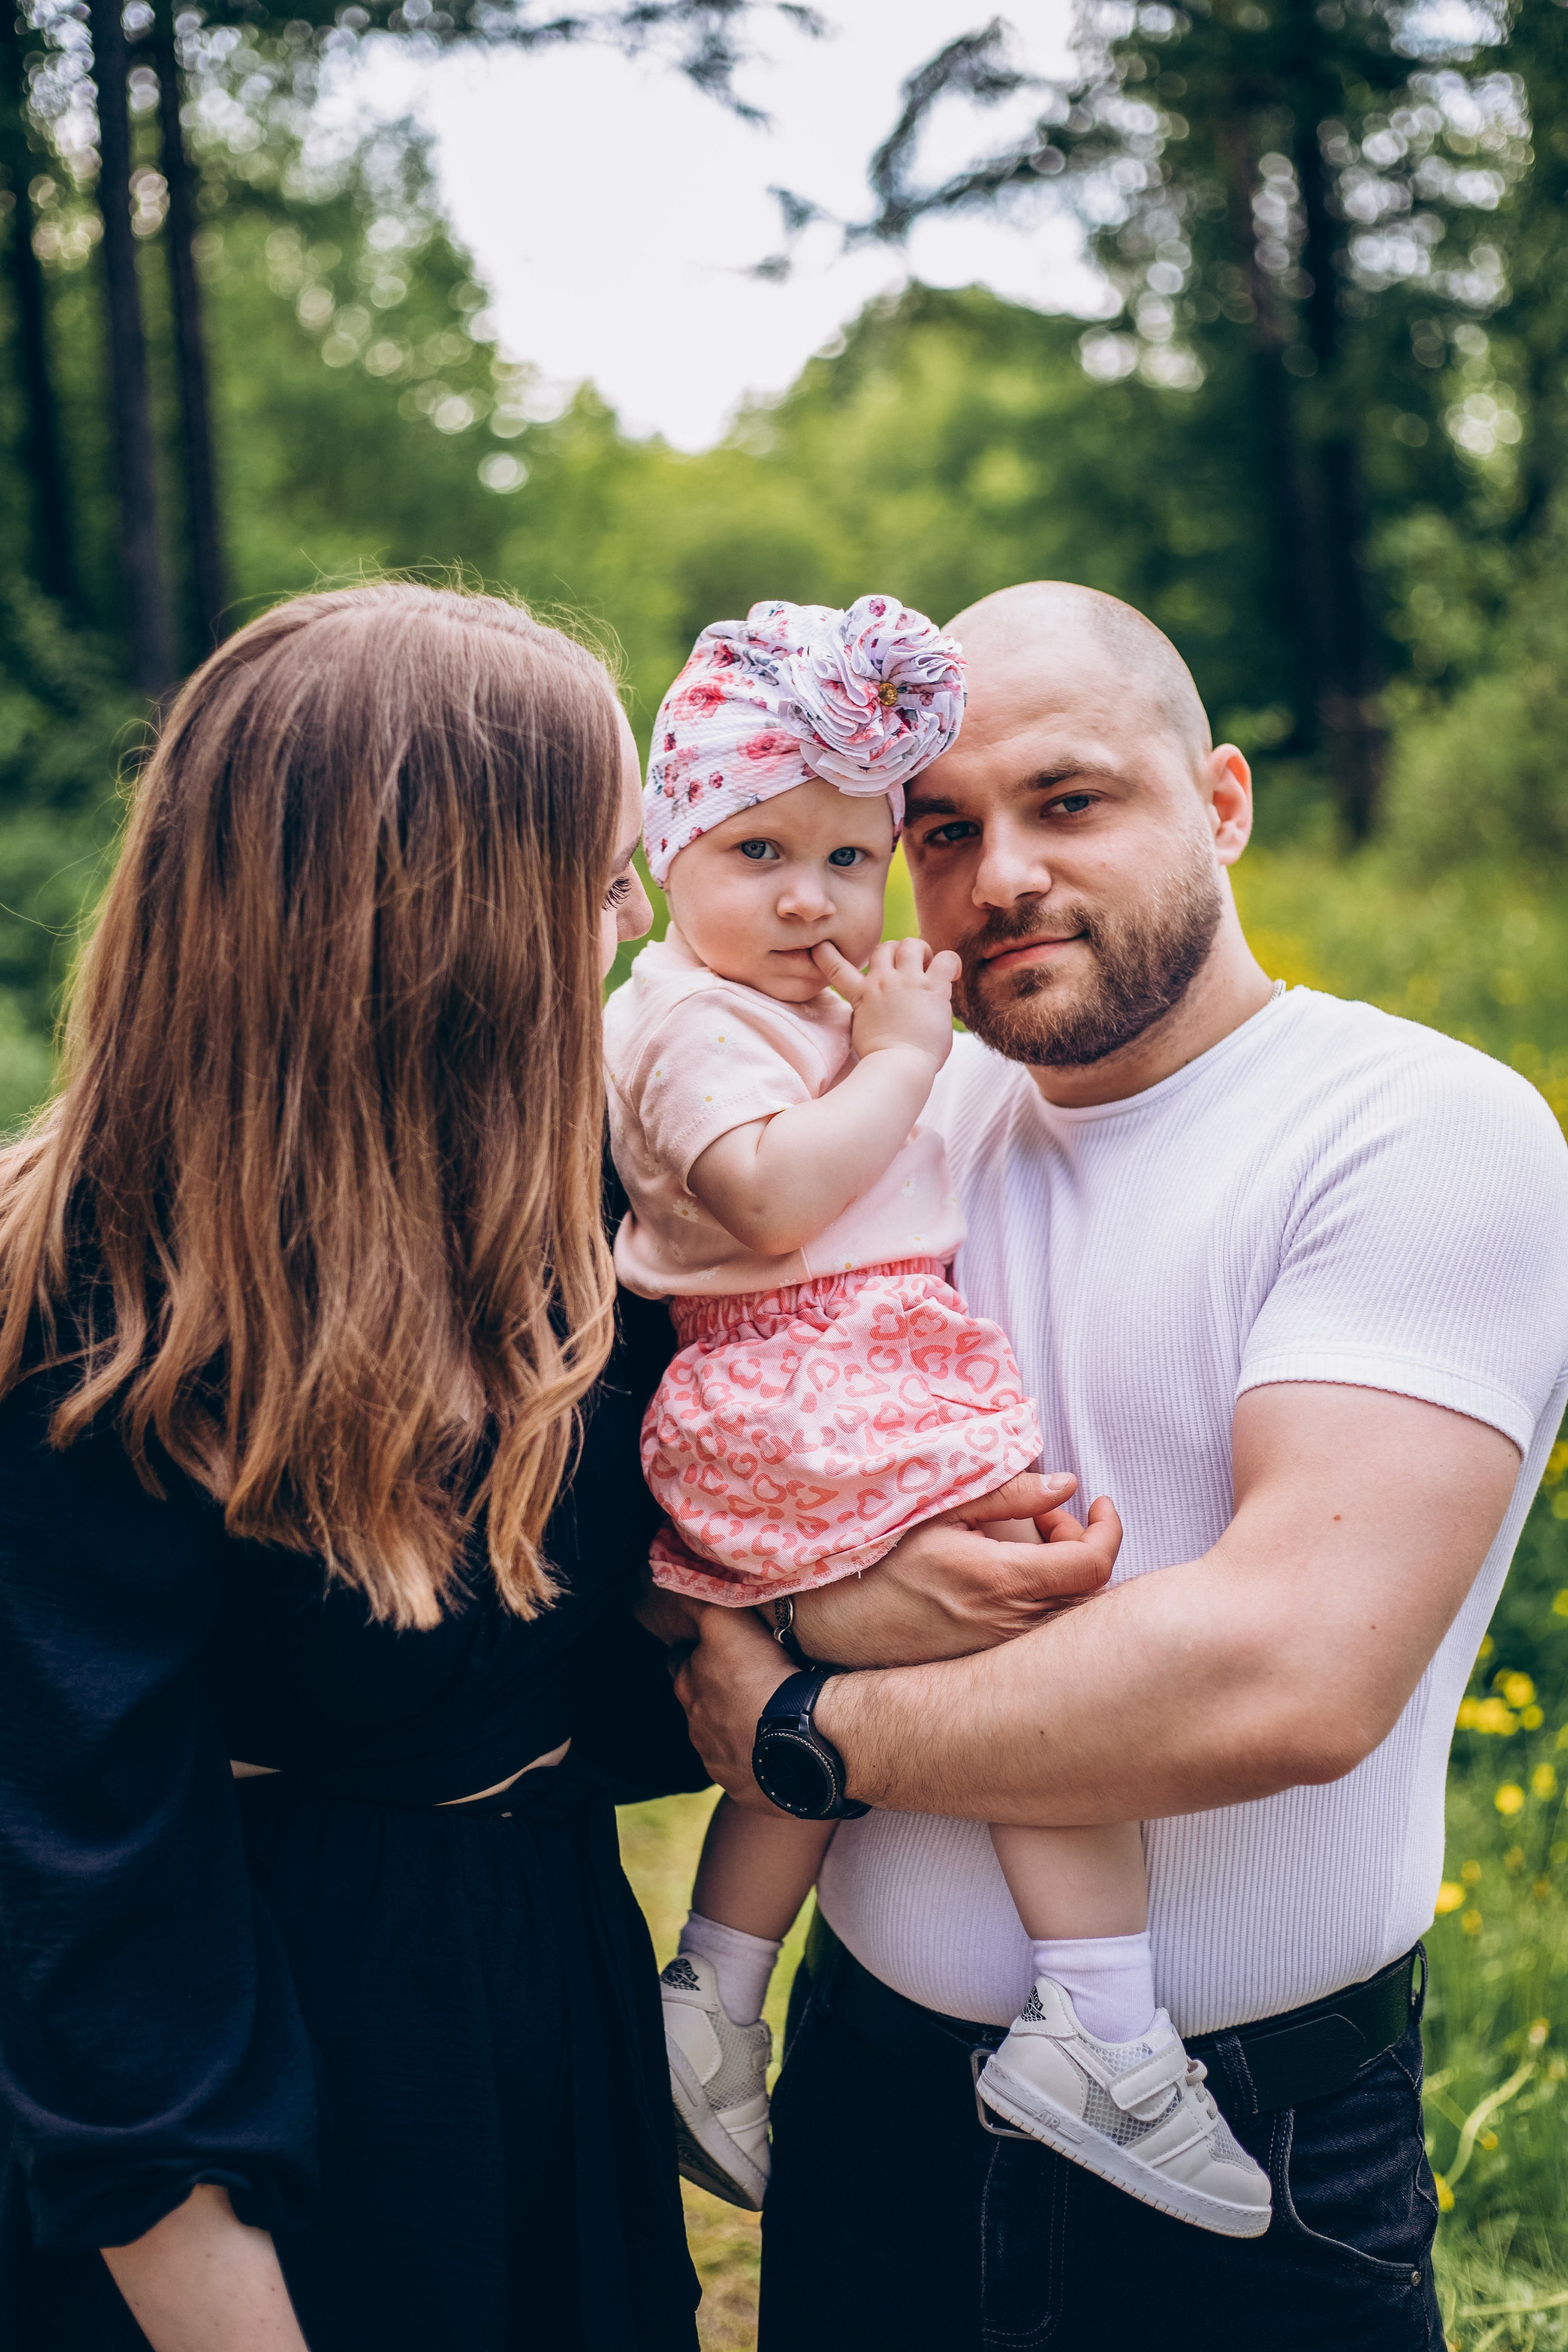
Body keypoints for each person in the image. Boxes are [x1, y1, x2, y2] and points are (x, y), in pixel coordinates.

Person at [670, 582, 1568, 2351]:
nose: (1001, 875)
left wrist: (801, 1721)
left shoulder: (1416, 1130)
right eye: (942, 831)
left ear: (1221, 802)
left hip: (1248, 2149)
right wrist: (824, 1601)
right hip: (868, 2106)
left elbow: (1288, 1674)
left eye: (1069, 801)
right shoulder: (887, 1138)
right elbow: (679, 1506)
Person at [0, 582, 704, 2352]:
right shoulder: (93, 1298)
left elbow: (564, 1675)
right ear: (443, 922)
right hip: (249, 2109)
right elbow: (89, 1915)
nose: (641, 918)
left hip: (537, 1993)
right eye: (601, 876)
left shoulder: (567, 1217)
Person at [609, 595, 1271, 2237]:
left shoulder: (779, 1011)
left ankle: (716, 1992)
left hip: (823, 1375)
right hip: (807, 1373)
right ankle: (1102, 2023)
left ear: (1224, 804)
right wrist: (903, 1056)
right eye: (759, 852)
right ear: (669, 858)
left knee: (883, 1673)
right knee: (1041, 1636)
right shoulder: (691, 1017)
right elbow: (773, 1199)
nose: (811, 898)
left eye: (851, 858)